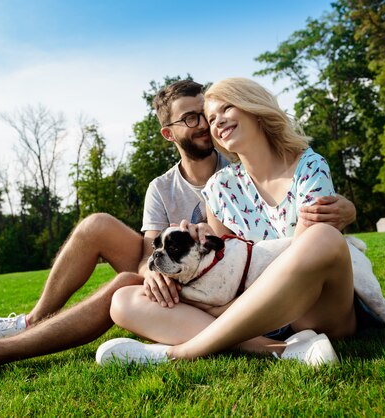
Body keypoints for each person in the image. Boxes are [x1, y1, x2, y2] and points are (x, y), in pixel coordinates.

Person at [0, 80, 355, 388]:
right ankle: (26, 325)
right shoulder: (189, 187)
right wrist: (158, 273)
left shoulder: (265, 161)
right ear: (167, 132)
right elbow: (182, 254)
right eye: (196, 119)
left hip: (280, 291)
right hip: (202, 283)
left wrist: (345, 211)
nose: (208, 126)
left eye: (209, 115)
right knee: (118, 277)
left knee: (124, 289)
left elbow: (256, 252)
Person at [97, 77, 360, 366]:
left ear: (255, 108)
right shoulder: (219, 189)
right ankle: (276, 349)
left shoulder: (309, 166)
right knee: (124, 300)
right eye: (211, 118)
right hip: (251, 316)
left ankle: (179, 352)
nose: (216, 122)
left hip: (313, 310)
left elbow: (302, 259)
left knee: (321, 237)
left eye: (226, 109)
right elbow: (224, 273)